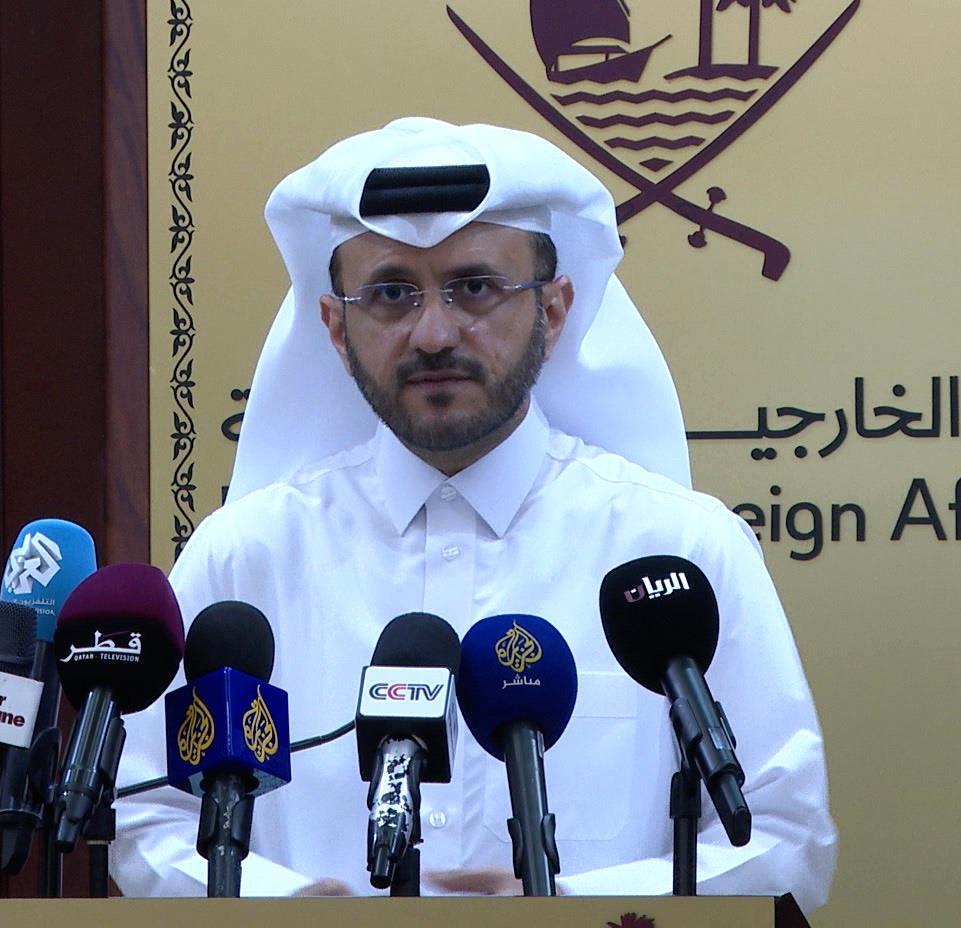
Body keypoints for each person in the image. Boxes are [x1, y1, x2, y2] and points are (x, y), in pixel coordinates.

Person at [112, 117, 836, 908]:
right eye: (391, 294)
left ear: (553, 310)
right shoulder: (244, 558)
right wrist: (287, 912)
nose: (433, 333)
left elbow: (784, 838)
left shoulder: (680, 552)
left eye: (475, 288)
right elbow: (147, 816)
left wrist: (568, 908)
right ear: (335, 327)